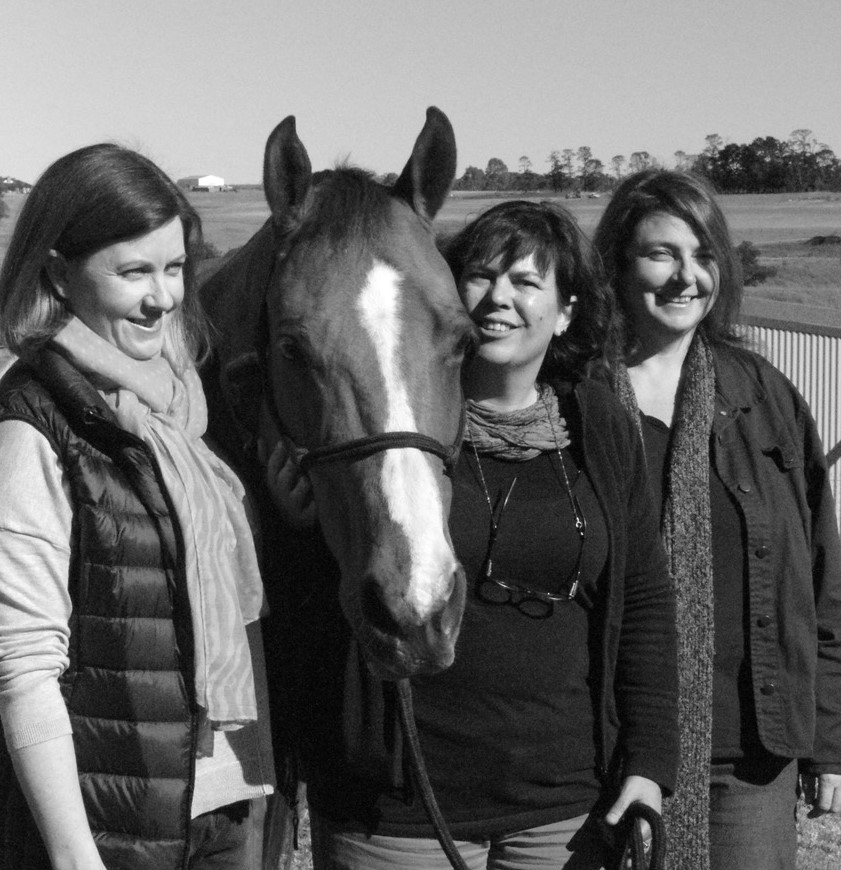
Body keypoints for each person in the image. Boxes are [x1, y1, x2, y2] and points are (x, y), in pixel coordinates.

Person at [268, 200, 678, 869]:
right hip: (397, 809)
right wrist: (296, 531)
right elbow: (320, 605)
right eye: (480, 276)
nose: (498, 298)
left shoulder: (599, 426)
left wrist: (649, 763)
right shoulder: (381, 425)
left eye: (526, 282)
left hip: (563, 805)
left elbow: (644, 601)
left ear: (565, 312)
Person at [0, 144, 276, 870]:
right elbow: (23, 666)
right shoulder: (35, 430)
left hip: (222, 799)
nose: (165, 297)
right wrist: (74, 856)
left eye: (175, 267)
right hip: (114, 827)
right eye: (134, 272)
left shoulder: (182, 408)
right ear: (58, 274)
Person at [592, 168, 841, 870]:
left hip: (747, 751)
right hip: (597, 744)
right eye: (660, 253)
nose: (686, 277)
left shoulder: (762, 395)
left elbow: (820, 577)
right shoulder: (573, 395)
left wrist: (829, 739)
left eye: (703, 255)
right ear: (616, 264)